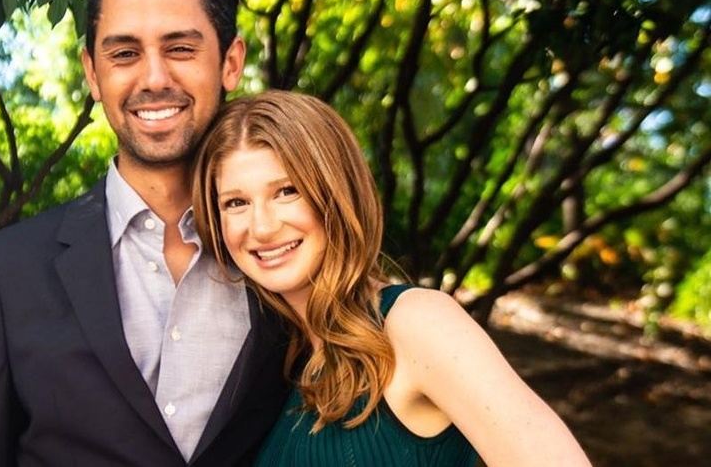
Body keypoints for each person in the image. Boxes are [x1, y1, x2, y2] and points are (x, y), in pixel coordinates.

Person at [0, 0, 289, 467]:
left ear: (231, 62)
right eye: (124, 54)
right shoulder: (8, 269)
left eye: (180, 48)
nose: (154, 79)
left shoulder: (288, 250)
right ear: (92, 73)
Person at [191, 90, 593, 466]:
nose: (261, 227)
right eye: (236, 202)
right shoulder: (287, 357)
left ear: (337, 193)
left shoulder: (418, 322)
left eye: (287, 191)